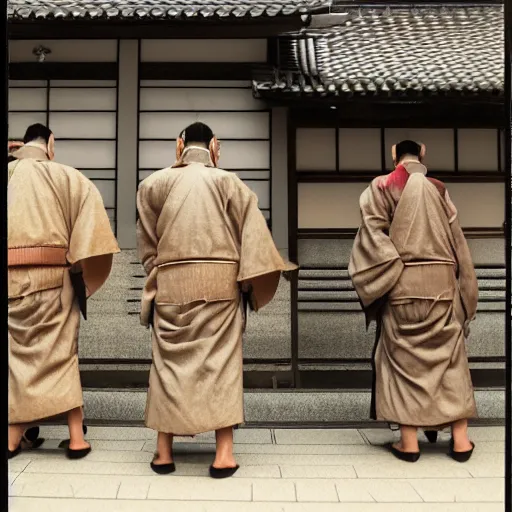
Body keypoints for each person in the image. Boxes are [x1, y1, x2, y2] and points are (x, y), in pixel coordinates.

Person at [137, 122, 296, 478]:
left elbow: (148, 247)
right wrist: (247, 282)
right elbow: (253, 242)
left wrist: (167, 272)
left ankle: (164, 451)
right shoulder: (230, 183)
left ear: (179, 145)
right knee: (222, 367)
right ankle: (223, 454)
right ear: (215, 147)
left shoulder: (152, 185)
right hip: (221, 287)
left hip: (172, 285)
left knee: (167, 367)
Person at [349, 140, 478, 463]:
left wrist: (391, 272)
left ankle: (410, 443)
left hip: (401, 284)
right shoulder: (438, 188)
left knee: (401, 361)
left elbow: (372, 235)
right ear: (423, 153)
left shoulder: (381, 186)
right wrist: (467, 293)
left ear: (394, 154)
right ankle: (460, 440)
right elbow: (457, 243)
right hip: (442, 284)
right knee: (451, 359)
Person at [8, 124, 120, 459]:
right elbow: (93, 237)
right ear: (50, 144)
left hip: (10, 280)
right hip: (55, 278)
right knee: (61, 355)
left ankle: (21, 436)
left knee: (18, 359)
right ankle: (72, 438)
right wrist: (79, 275)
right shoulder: (70, 178)